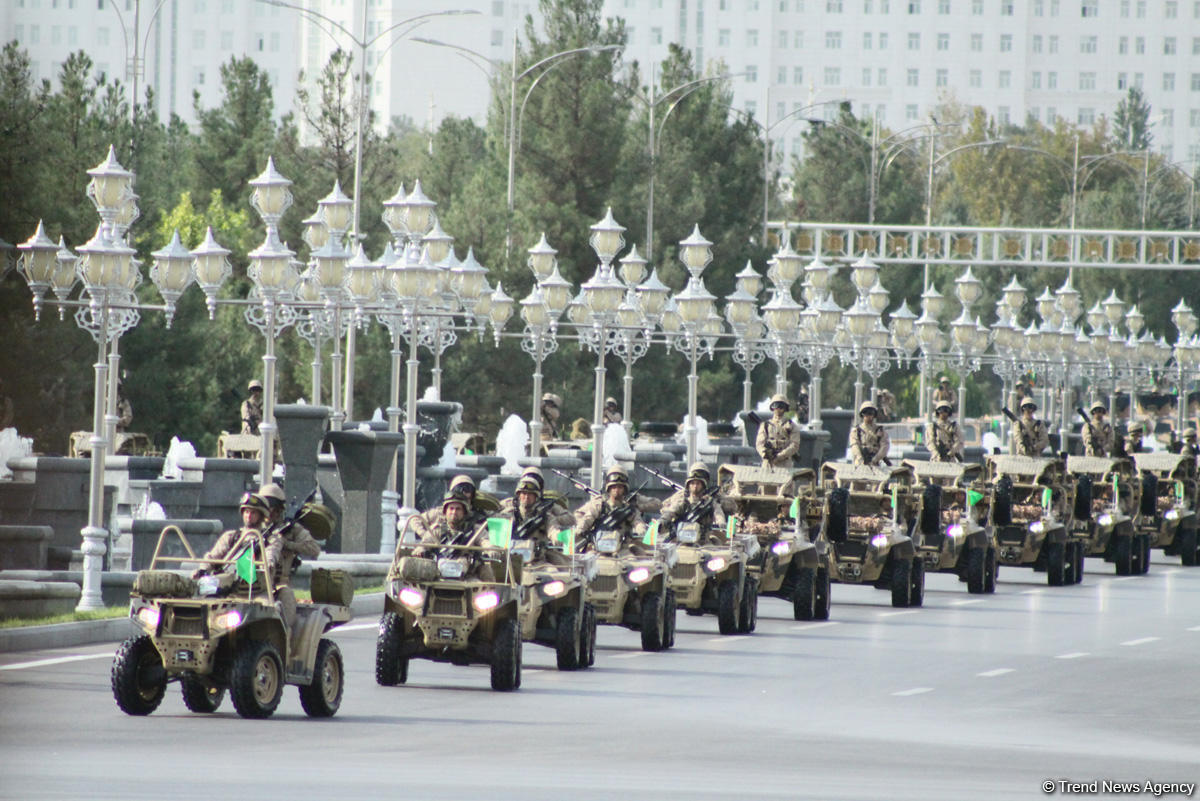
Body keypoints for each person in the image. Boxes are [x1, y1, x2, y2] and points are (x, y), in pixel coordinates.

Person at [192, 492, 281, 583]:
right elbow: (212, 558)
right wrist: (202, 570)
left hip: (255, 586)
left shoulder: (271, 539)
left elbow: (271, 553)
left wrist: (268, 563)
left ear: (261, 516)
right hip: (226, 584)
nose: (249, 516)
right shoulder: (231, 536)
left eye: (253, 513)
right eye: (246, 512)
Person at [412, 492, 495, 580]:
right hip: (438, 574)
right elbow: (425, 543)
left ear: (464, 512)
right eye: (451, 508)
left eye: (458, 509)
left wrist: (490, 549)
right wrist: (420, 550)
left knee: (485, 580)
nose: (454, 512)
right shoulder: (438, 529)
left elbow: (484, 540)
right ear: (445, 511)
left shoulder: (475, 529)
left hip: (468, 576)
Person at [574, 465, 648, 554]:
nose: (616, 490)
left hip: (622, 549)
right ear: (609, 488)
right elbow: (587, 519)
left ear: (624, 489)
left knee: (637, 555)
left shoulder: (629, 509)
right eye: (614, 487)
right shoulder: (599, 505)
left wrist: (641, 531)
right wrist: (578, 532)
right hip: (598, 548)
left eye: (620, 487)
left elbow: (638, 522)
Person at [498, 474, 569, 566]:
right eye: (524, 493)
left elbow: (553, 530)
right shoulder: (508, 515)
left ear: (536, 496)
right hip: (510, 563)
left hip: (537, 563)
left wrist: (558, 537)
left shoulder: (545, 516)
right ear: (519, 495)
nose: (526, 497)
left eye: (530, 494)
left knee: (555, 572)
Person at [658, 462, 726, 537]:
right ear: (688, 485)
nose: (695, 486)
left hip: (704, 537)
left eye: (698, 483)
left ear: (703, 485)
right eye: (692, 483)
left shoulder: (709, 500)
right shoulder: (683, 500)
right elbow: (672, 511)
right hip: (683, 533)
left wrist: (721, 523)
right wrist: (663, 520)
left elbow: (718, 512)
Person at [756, 394, 801, 468]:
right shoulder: (765, 425)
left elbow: (795, 445)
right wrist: (765, 454)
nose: (778, 409)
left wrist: (780, 456)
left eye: (781, 406)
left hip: (785, 465)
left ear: (785, 408)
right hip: (768, 464)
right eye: (775, 406)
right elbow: (759, 444)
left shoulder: (791, 426)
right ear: (772, 407)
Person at [850, 400, 891, 466]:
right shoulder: (857, 431)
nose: (869, 416)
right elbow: (854, 445)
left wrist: (875, 459)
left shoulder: (880, 431)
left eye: (871, 413)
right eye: (866, 413)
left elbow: (885, 446)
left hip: (875, 462)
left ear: (874, 414)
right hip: (860, 463)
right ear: (862, 414)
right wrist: (860, 458)